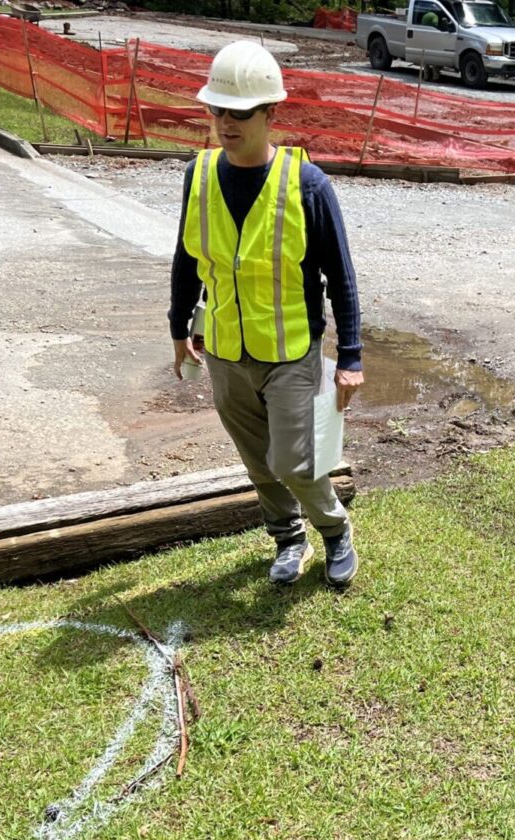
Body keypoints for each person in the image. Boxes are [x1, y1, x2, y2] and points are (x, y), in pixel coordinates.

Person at [169, 40, 363, 587]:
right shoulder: (199, 176)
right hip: (226, 349)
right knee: (257, 462)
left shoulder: (308, 185)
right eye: (217, 111)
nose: (226, 123)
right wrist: (178, 326)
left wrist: (351, 357)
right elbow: (186, 256)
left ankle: (334, 530)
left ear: (270, 112)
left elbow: (342, 278)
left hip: (290, 352)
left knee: (294, 463)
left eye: (240, 112)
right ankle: (287, 537)